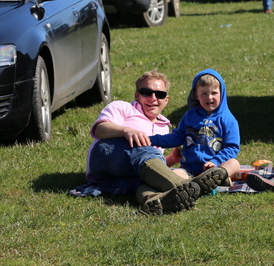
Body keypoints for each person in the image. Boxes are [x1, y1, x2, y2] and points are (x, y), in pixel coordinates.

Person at [81, 70, 223, 214]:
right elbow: (100, 129)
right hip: (106, 159)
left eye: (159, 94)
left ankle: (157, 201)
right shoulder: (122, 107)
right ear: (137, 95)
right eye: (146, 92)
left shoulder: (164, 127)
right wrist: (126, 131)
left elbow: (150, 165)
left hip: (116, 182)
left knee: (147, 181)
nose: (153, 98)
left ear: (166, 100)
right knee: (144, 148)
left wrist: (172, 159)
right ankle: (187, 186)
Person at [149, 69, 241, 187]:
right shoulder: (190, 115)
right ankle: (199, 185)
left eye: (214, 93)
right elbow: (176, 137)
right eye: (204, 93)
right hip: (189, 168)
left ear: (222, 93)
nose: (209, 97)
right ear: (196, 96)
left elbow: (232, 148)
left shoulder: (228, 119)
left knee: (234, 163)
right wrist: (151, 140)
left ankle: (217, 177)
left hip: (215, 167)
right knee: (175, 174)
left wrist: (215, 161)